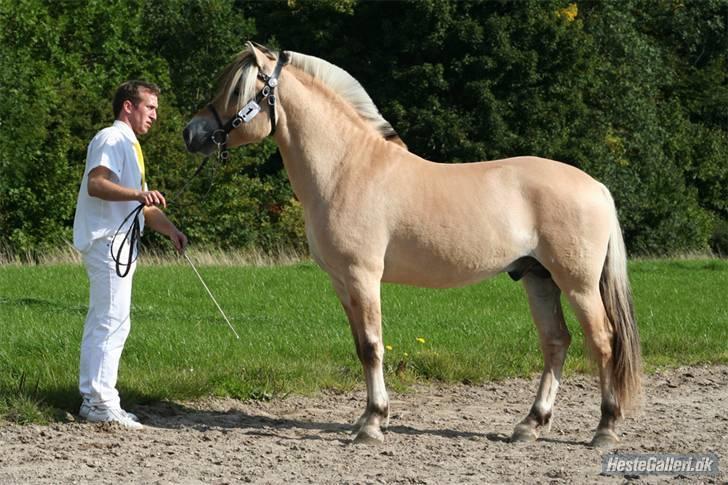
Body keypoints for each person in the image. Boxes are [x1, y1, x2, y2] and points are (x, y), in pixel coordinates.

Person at [72, 80, 187, 429]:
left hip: (120, 245)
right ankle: (97, 402)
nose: (155, 115)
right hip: (107, 242)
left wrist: (170, 230)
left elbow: (142, 204)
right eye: (149, 107)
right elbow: (97, 183)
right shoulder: (111, 138)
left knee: (115, 322)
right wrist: (139, 195)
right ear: (128, 106)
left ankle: (102, 399)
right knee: (109, 322)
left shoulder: (130, 146)